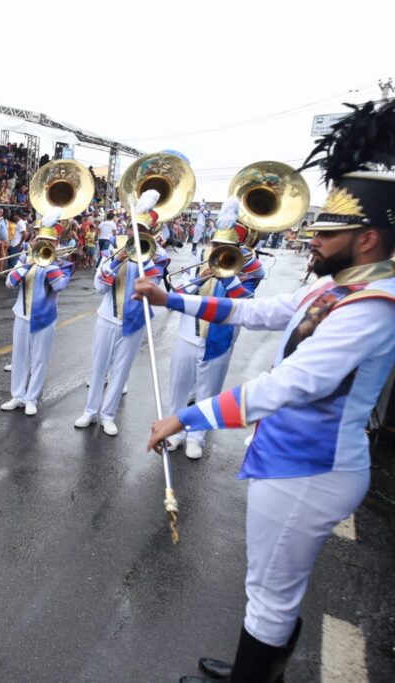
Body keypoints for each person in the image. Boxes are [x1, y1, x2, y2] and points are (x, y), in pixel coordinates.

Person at [139, 158, 395, 682]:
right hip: (291, 459)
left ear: (368, 240)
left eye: (329, 232)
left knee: (271, 594)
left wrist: (186, 417)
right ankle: (250, 672)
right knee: (268, 586)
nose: (314, 240)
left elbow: (289, 385)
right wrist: (172, 298)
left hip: (310, 471)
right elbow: (255, 313)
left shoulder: (373, 307)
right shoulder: (334, 287)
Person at [164, 198, 264, 460]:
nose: (219, 252)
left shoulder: (247, 275)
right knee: (178, 388)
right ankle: (174, 432)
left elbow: (245, 301)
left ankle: (197, 437)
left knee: (208, 394)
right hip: (188, 336)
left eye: (226, 249)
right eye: (216, 247)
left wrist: (229, 275)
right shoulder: (199, 268)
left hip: (219, 341)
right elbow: (177, 296)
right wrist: (202, 276)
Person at [74, 196, 164, 436]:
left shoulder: (156, 257)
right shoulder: (113, 250)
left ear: (151, 232)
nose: (139, 233)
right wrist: (116, 260)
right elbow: (99, 287)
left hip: (133, 321)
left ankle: (108, 415)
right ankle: (90, 411)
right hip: (107, 316)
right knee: (98, 367)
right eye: (137, 228)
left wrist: (147, 258)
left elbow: (152, 285)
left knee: (121, 370)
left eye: (144, 230)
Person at [1, 212, 74, 416]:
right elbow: (9, 283)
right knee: (19, 357)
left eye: (49, 242)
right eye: (41, 241)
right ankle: (17, 396)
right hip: (22, 315)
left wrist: (48, 263)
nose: (44, 245)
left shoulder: (62, 264)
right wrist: (28, 263)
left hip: (44, 318)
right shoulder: (25, 258)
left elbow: (59, 285)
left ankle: (31, 398)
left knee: (40, 360)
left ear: (56, 242)